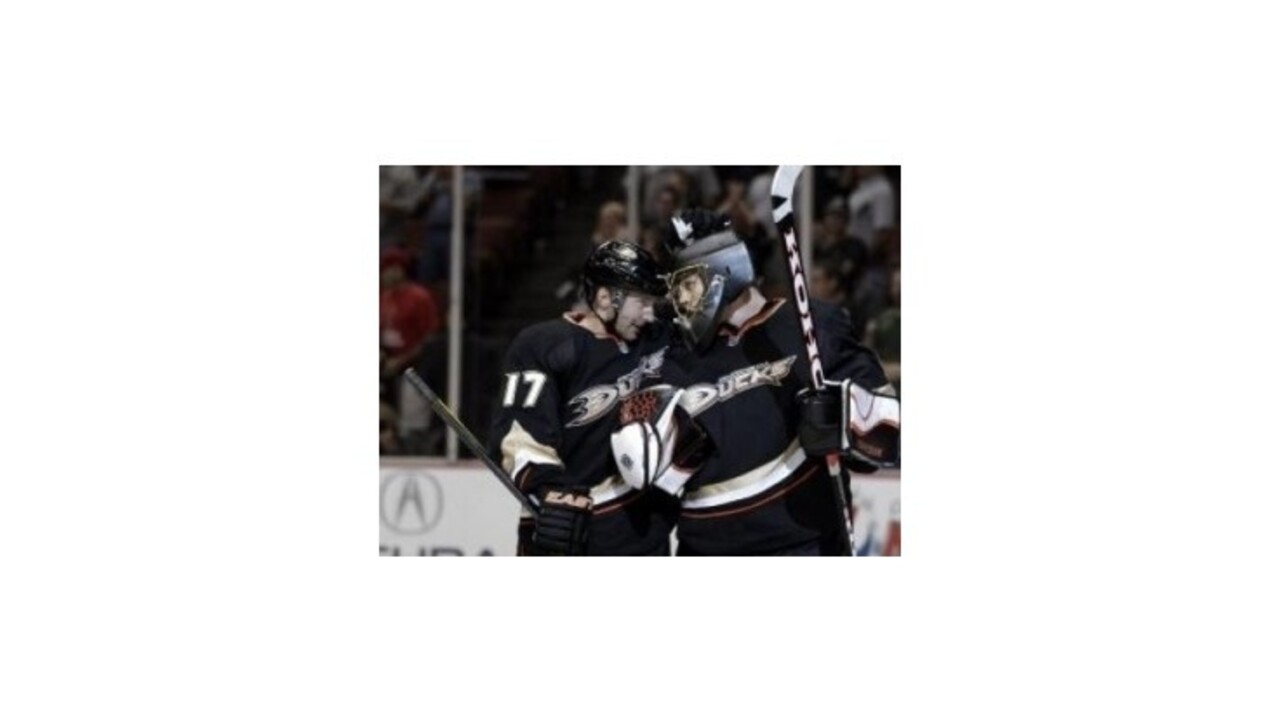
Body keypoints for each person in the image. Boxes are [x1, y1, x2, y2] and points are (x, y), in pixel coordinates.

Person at [631, 210, 899, 556]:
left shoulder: (811, 325)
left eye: (688, 285)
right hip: (704, 551)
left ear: (724, 271)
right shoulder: (668, 352)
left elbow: (888, 434)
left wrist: (844, 420)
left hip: (805, 546)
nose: (680, 300)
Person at [487, 240, 683, 555]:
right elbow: (518, 434)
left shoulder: (657, 339)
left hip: (641, 532)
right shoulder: (543, 346)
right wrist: (550, 491)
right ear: (605, 298)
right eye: (641, 302)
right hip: (567, 528)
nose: (649, 314)